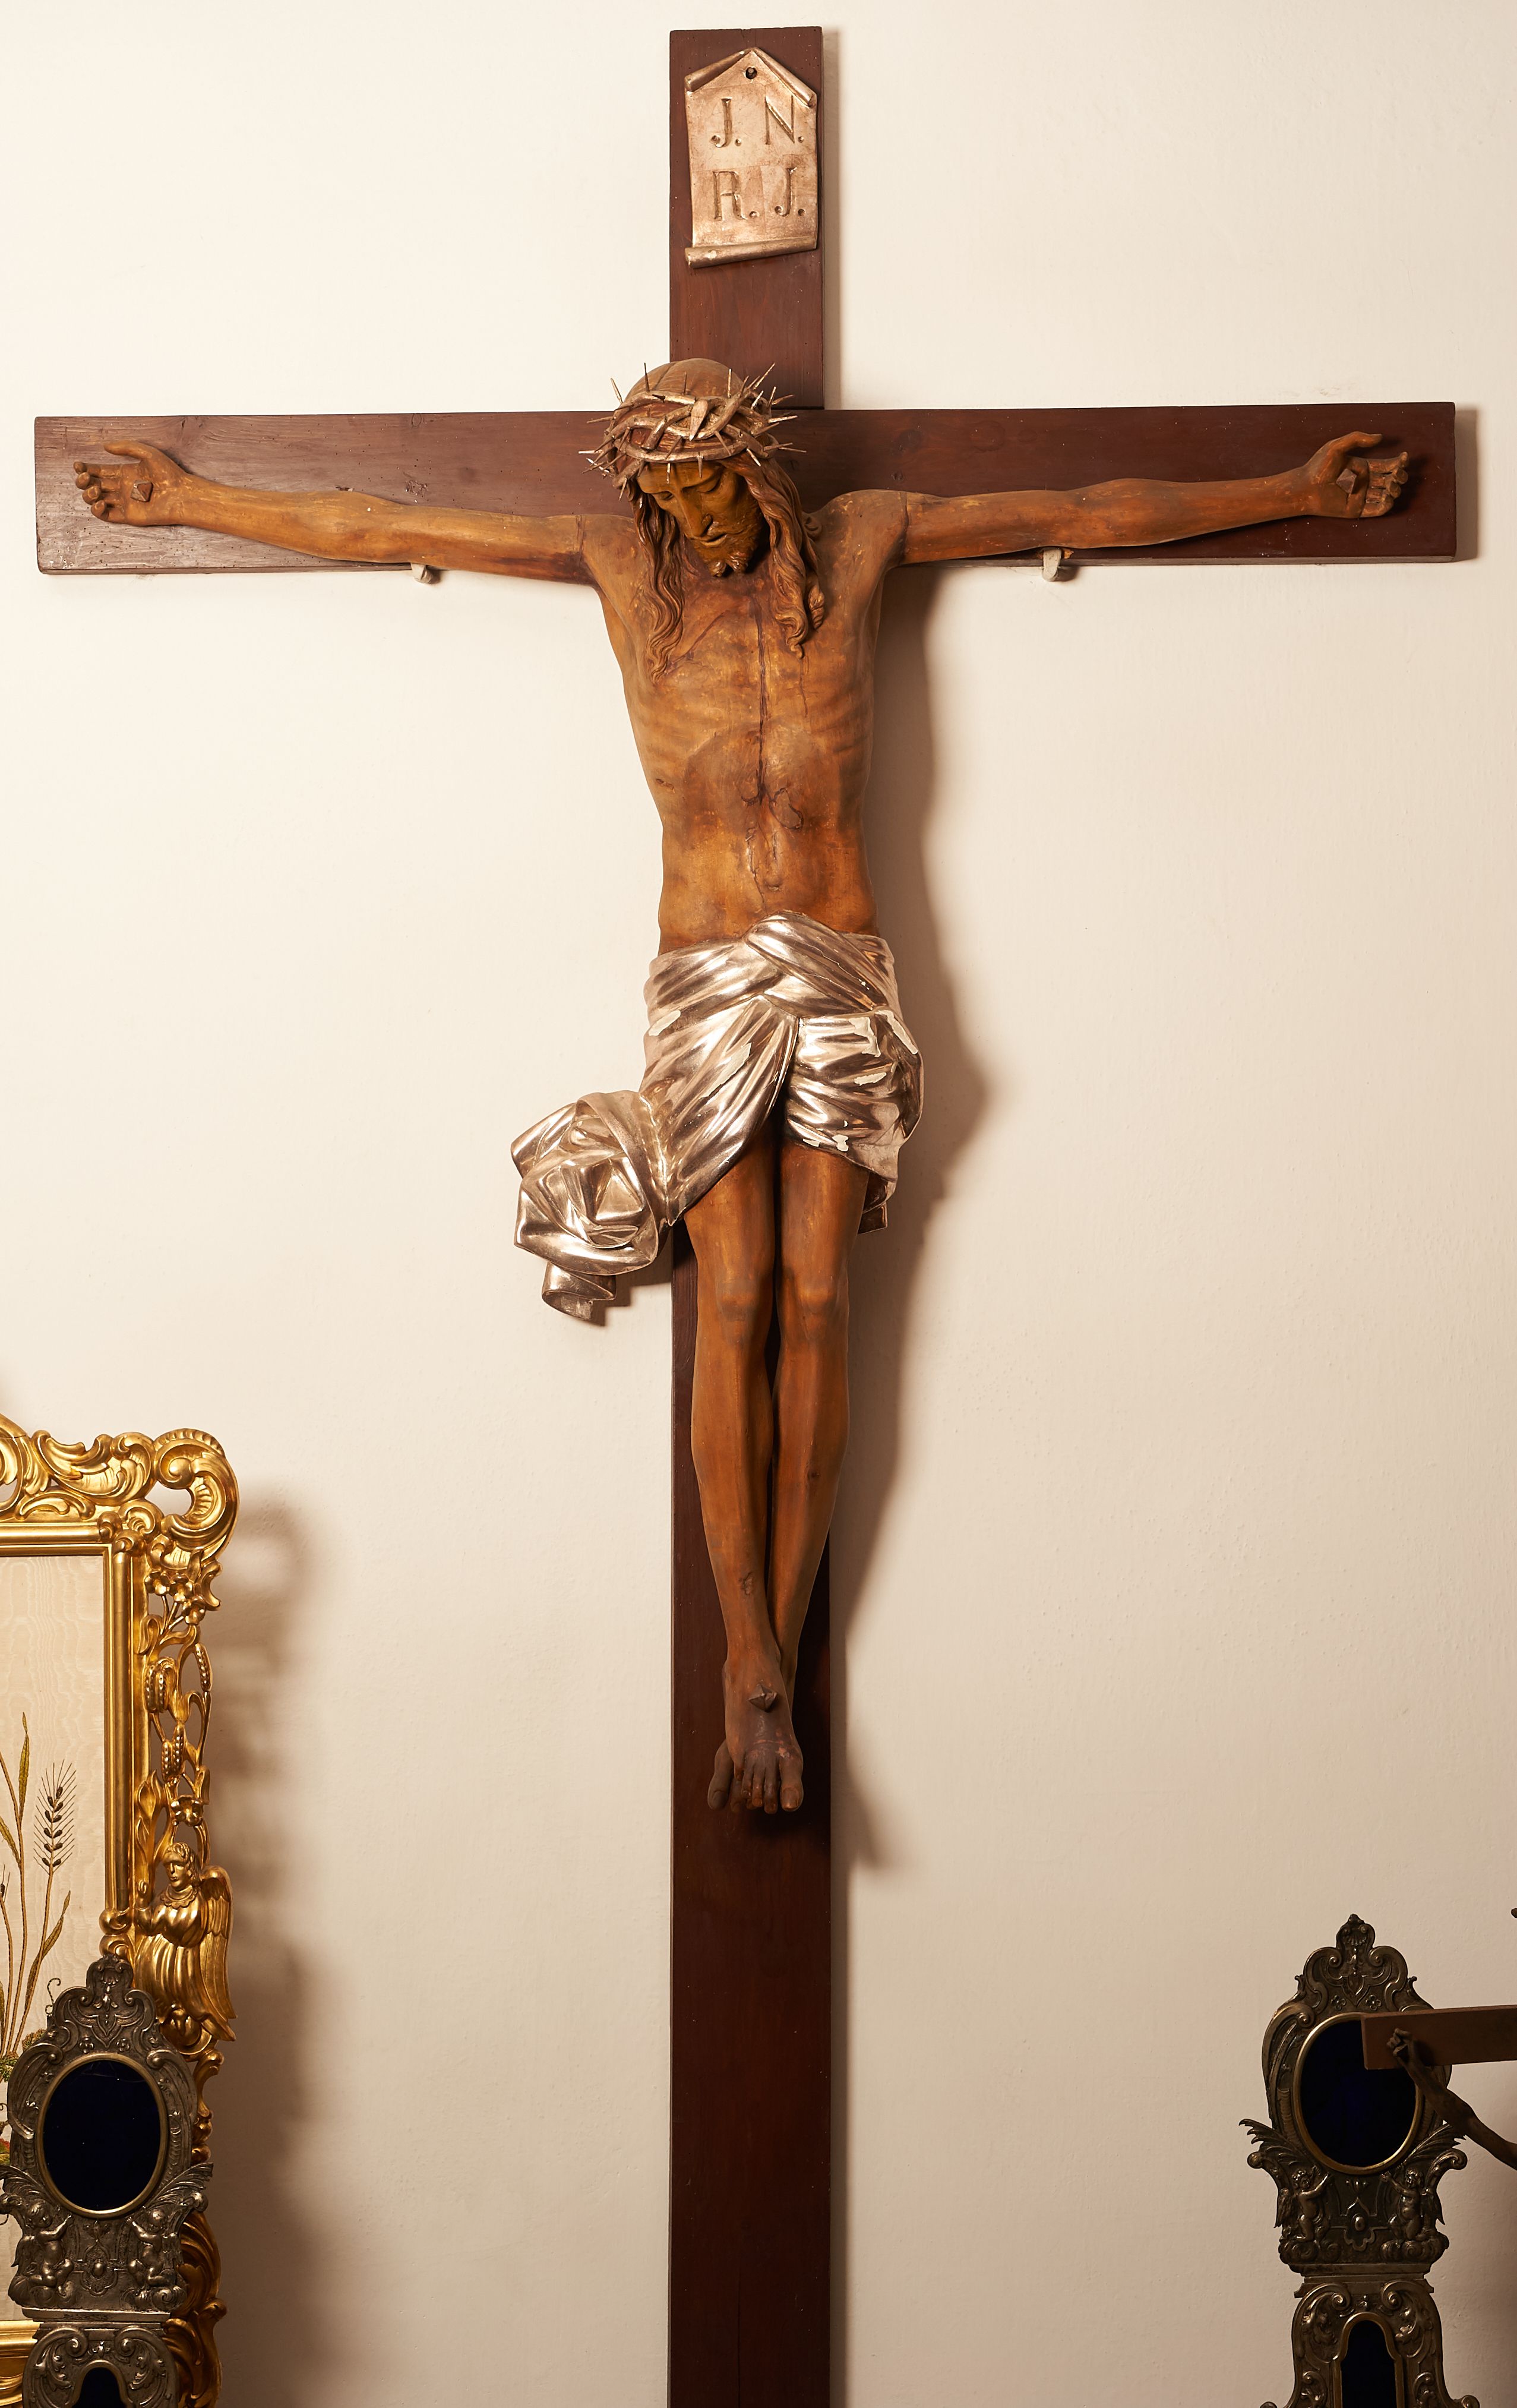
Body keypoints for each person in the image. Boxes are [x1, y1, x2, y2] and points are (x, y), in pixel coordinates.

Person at [74, 366, 1407, 1814]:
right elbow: (383, 520)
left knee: (821, 1295)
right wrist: (188, 497)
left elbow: (1081, 507)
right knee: (736, 1293)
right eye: (669, 494)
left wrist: (1289, 488)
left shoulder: (863, 539)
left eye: (712, 484)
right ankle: (746, 1650)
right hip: (706, 979)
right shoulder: (618, 567)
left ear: (755, 465)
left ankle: (780, 1627)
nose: (698, 516)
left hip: (836, 966)